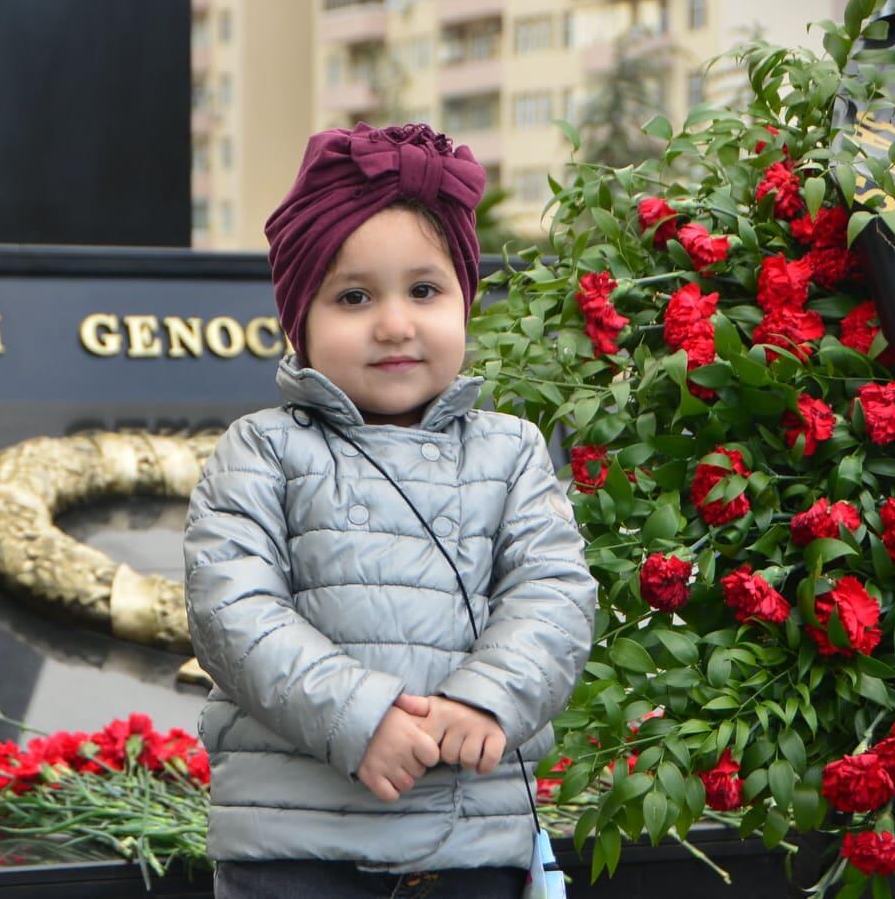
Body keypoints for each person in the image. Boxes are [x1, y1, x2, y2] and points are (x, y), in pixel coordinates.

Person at [182, 122, 597, 898]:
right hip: (294, 847)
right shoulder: (263, 449)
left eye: (425, 291)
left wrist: (487, 698)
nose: (396, 324)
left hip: (472, 843)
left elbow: (555, 596)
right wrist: (360, 715)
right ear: (299, 322)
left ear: (465, 303)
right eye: (354, 297)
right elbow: (231, 612)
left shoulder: (510, 451)